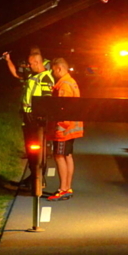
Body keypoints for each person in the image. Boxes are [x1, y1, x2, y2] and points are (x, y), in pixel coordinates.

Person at [3, 49, 54, 188]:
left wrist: (39, 116)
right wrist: (8, 60)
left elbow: (46, 101)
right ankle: (33, 176)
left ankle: (38, 178)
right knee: (30, 149)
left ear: (37, 62)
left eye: (31, 64)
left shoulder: (45, 78)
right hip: (27, 117)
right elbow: (16, 74)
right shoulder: (32, 75)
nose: (29, 66)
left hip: (36, 120)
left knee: (37, 150)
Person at [47, 57, 83, 201]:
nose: (53, 73)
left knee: (59, 156)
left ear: (59, 68)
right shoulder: (71, 82)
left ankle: (63, 189)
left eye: (54, 70)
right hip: (72, 127)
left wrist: (60, 127)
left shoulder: (64, 86)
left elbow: (63, 108)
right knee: (67, 156)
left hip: (64, 128)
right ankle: (67, 187)